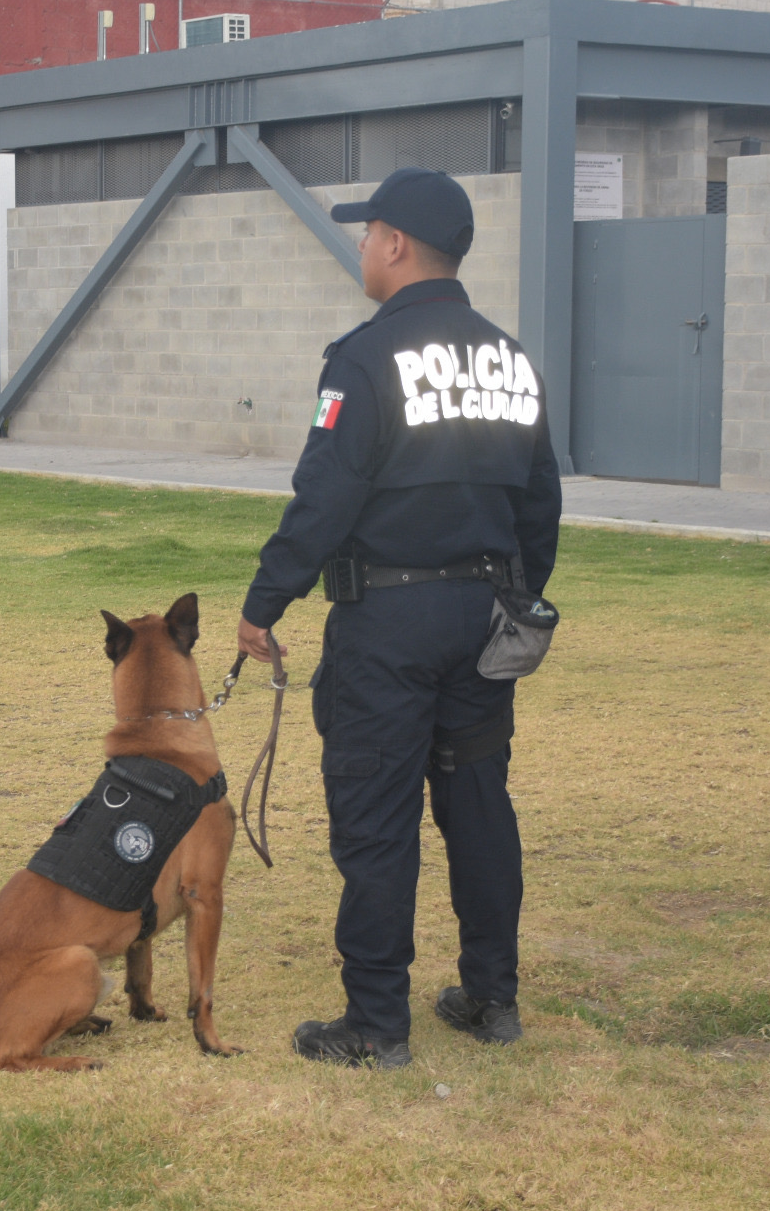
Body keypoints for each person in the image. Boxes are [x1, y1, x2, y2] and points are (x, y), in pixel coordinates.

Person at [235, 167, 562, 1068]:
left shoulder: (366, 358)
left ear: (397, 244)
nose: (363, 245)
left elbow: (324, 499)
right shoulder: (509, 358)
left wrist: (266, 602)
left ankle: (377, 1023)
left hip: (388, 621)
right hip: (484, 619)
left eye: (369, 230)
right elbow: (541, 506)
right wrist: (515, 603)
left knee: (376, 817)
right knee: (477, 804)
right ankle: (492, 997)